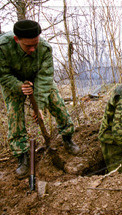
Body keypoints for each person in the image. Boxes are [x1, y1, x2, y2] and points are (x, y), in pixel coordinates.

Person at [0, 20, 80, 178]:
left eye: (35, 44)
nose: (33, 48)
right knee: (14, 115)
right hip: (13, 82)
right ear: (17, 40)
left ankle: (67, 137)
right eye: (28, 46)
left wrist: (40, 106)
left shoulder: (44, 48)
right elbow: (2, 74)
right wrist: (18, 86)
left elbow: (45, 78)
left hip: (38, 78)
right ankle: (22, 156)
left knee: (58, 104)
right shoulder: (2, 47)